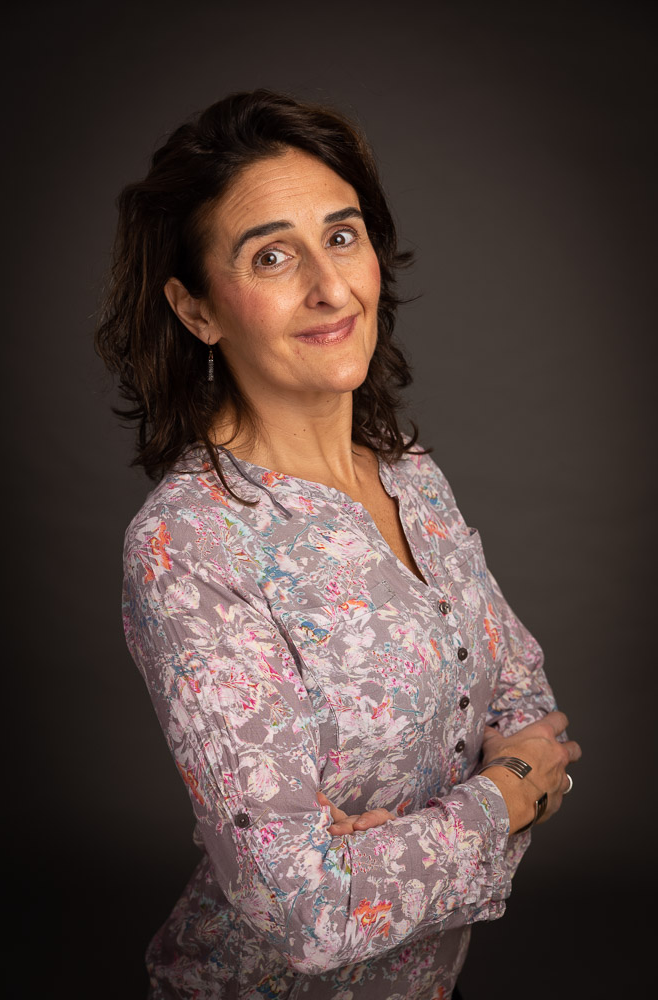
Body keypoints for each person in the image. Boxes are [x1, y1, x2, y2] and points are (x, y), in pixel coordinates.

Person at [96, 89, 581, 1000]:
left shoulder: (409, 471)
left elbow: (533, 714)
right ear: (196, 310)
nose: (330, 287)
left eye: (343, 236)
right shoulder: (189, 543)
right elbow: (307, 911)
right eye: (272, 255)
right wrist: (500, 800)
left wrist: (397, 853)